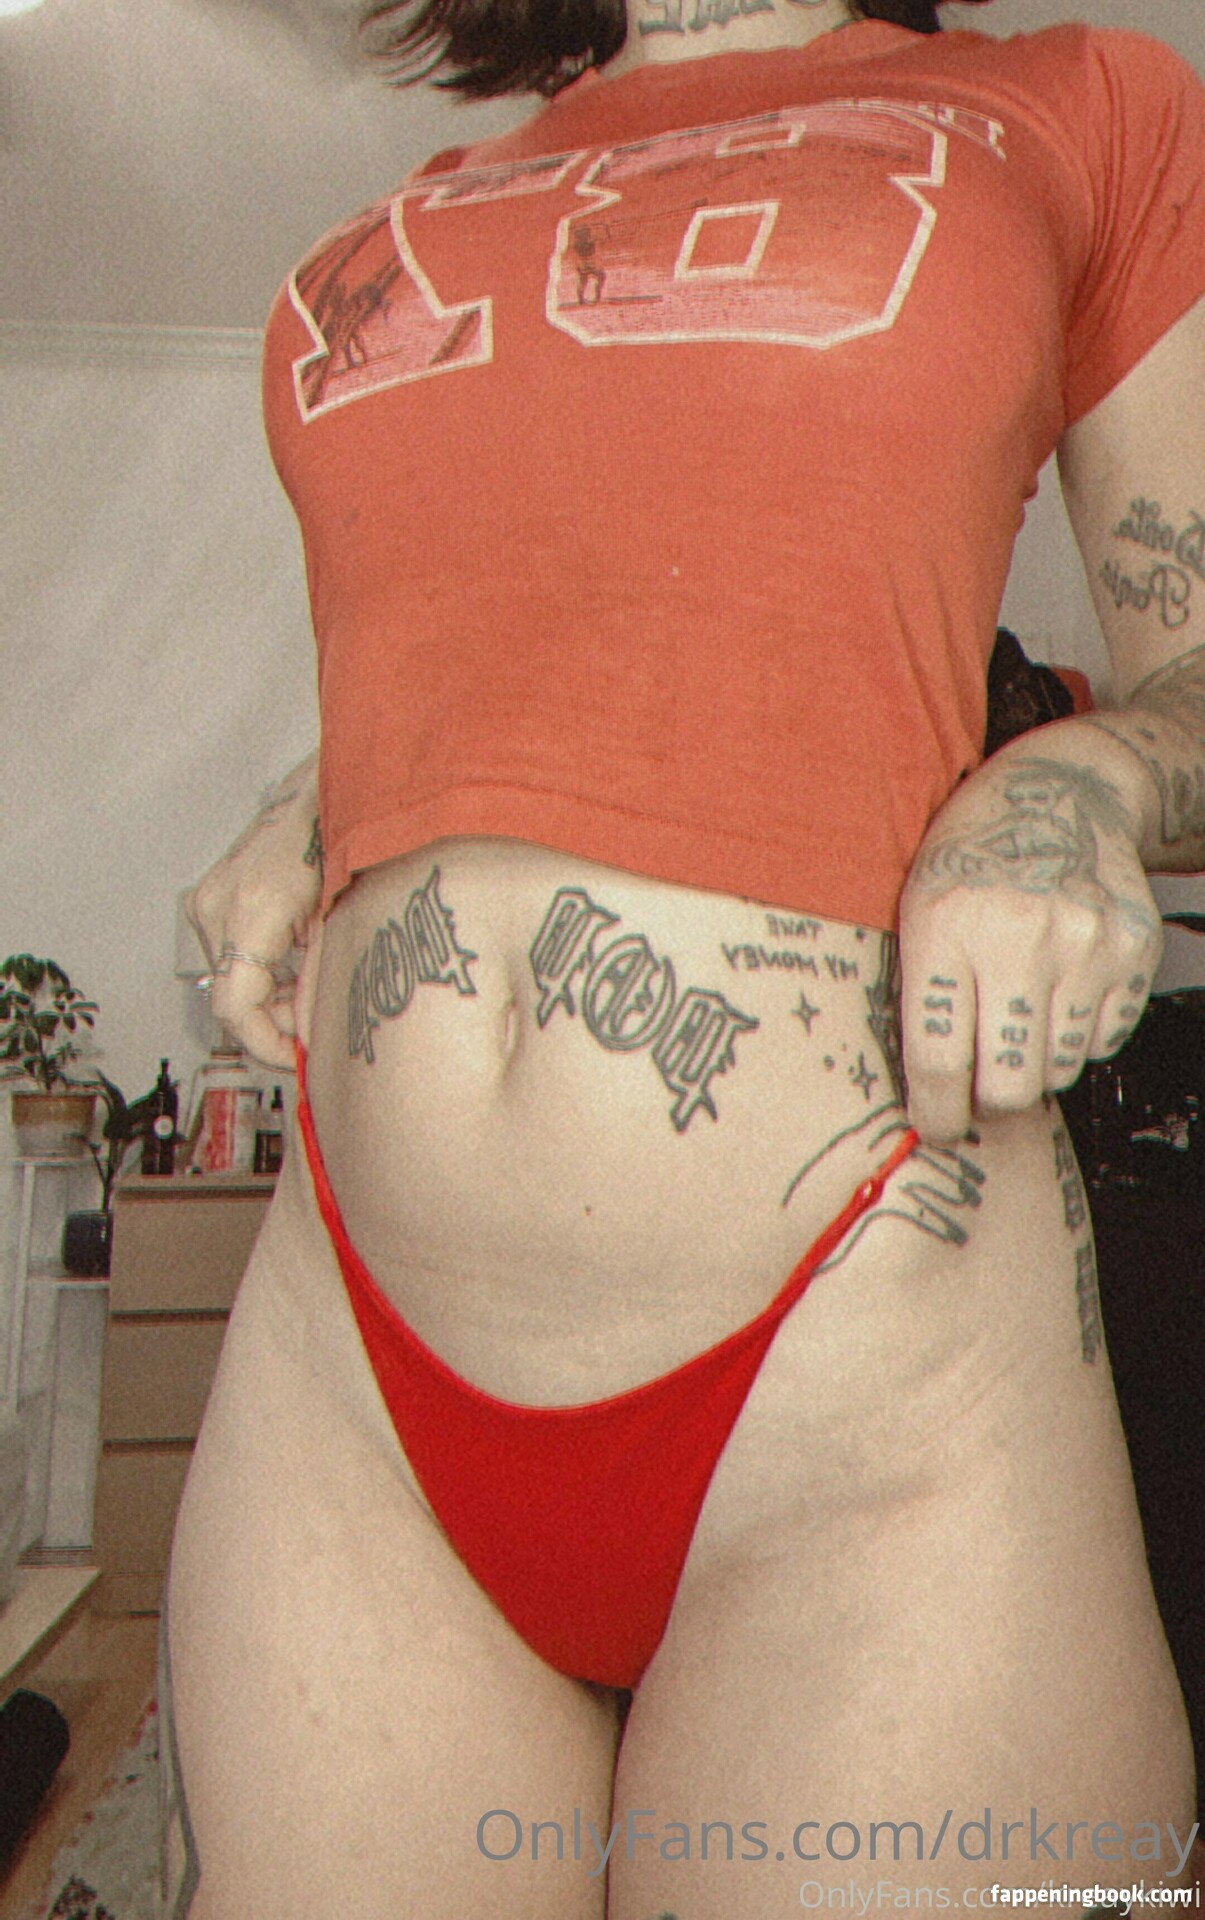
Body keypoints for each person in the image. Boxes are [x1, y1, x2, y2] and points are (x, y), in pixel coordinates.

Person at [166, 0, 1205, 1912]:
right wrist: (318, 798)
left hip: (860, 1369)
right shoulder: (436, 196)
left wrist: (1077, 774)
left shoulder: (1072, 108)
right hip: (355, 1369)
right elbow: (565, 614)